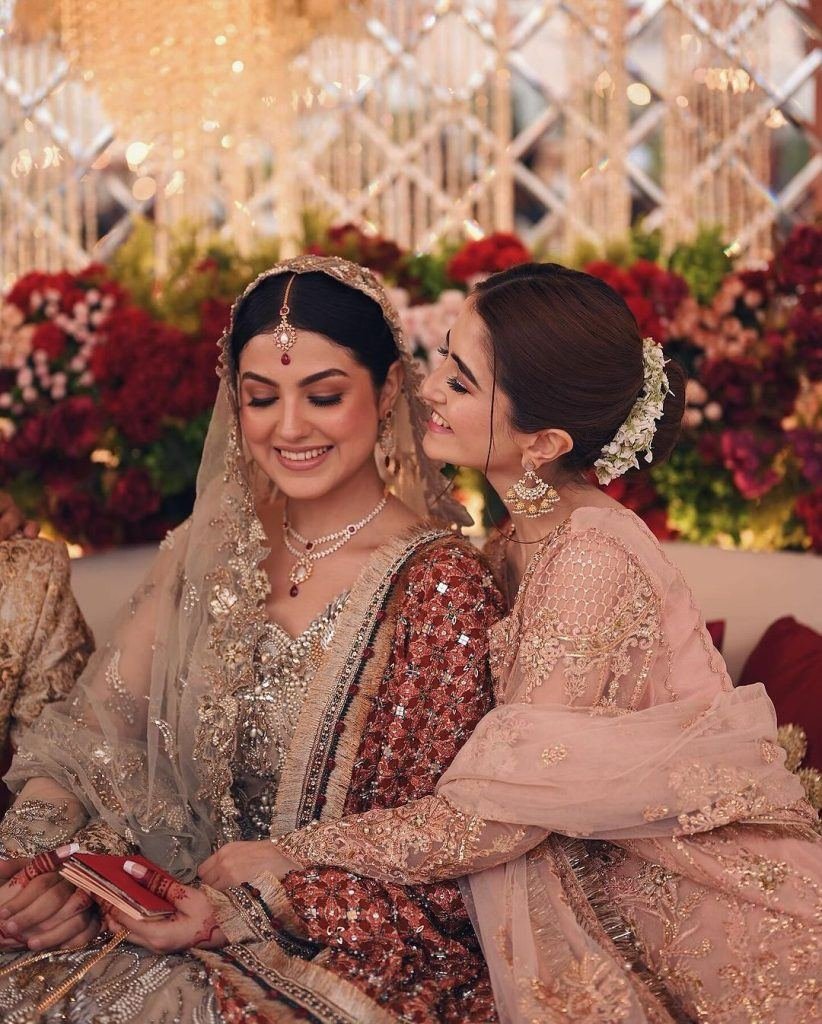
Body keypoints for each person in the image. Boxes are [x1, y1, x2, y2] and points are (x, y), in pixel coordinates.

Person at [258, 263, 821, 1024]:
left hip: (719, 929)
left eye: (460, 382)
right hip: (618, 904)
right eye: (442, 359)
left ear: (545, 441)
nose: (429, 389)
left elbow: (497, 814)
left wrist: (293, 855)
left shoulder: (589, 558)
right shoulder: (519, 537)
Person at [0, 256, 504, 1023]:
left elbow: (445, 849)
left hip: (341, 950)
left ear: (388, 390)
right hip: (158, 918)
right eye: (261, 398)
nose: (289, 427)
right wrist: (29, 874)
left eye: (324, 396)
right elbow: (91, 737)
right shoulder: (207, 551)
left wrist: (246, 909)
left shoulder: (439, 586)